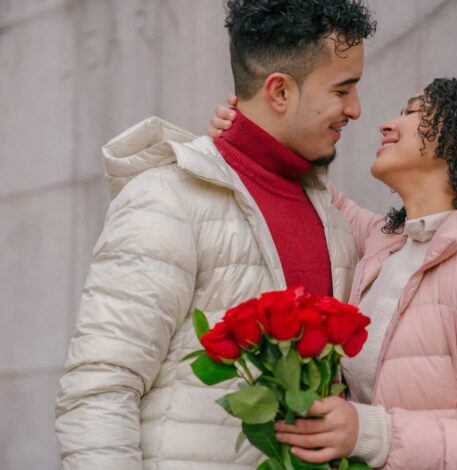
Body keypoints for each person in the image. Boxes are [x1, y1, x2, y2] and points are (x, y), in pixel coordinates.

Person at [54, 1, 376, 469]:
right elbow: (99, 389)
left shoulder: (334, 217)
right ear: (280, 91)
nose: (356, 109)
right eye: (344, 89)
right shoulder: (167, 199)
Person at [210, 79, 457, 468]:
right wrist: (251, 129)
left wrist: (371, 433)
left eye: (412, 112)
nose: (387, 124)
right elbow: (312, 190)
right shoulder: (387, 242)